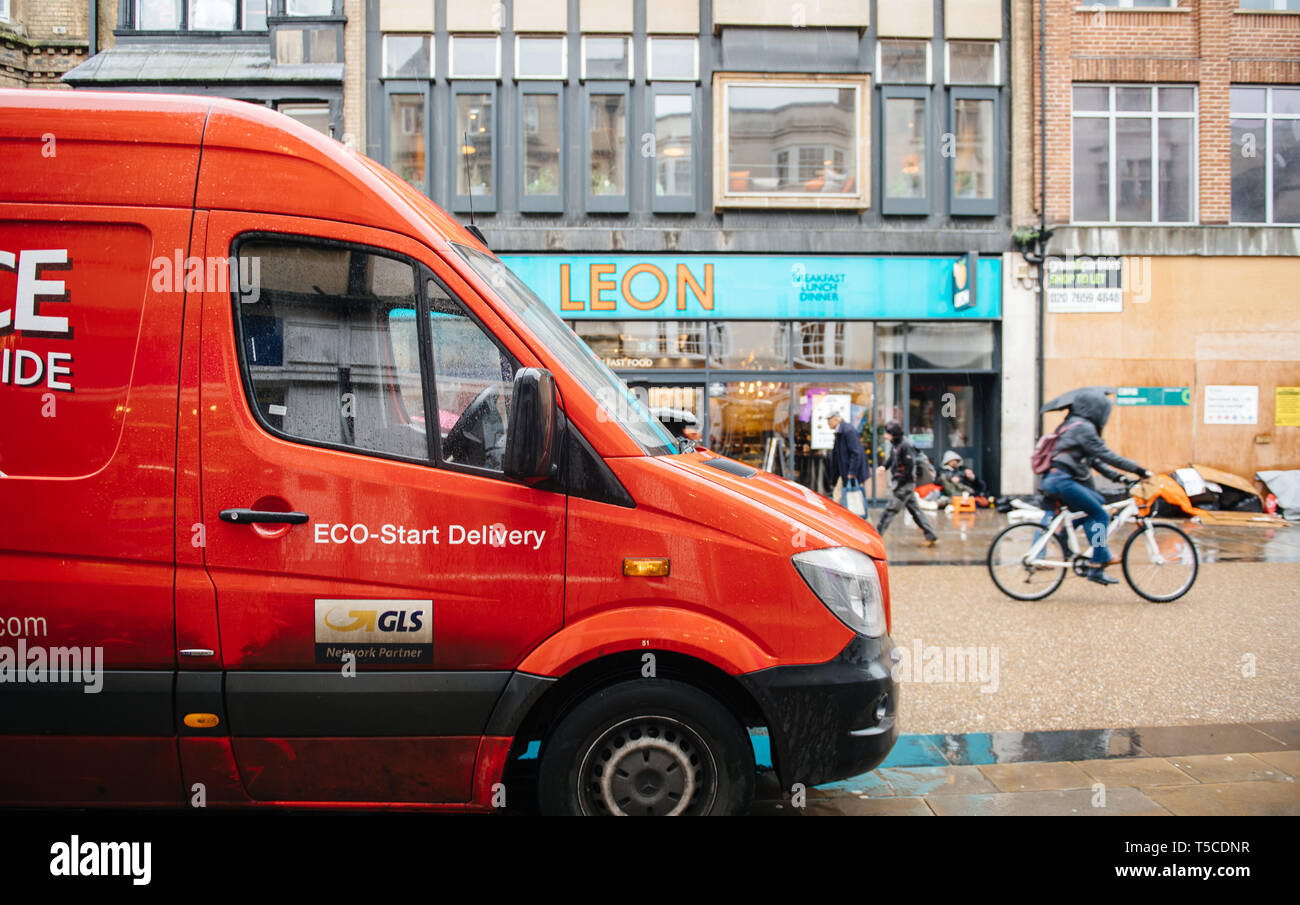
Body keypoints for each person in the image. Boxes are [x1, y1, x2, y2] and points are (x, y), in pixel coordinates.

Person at [1042, 389, 1151, 585]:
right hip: (1062, 481)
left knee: (1096, 505)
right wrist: (1138, 469)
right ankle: (1097, 564)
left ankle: (1065, 537)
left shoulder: (1073, 425)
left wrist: (1120, 477)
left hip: (1058, 479)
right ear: (1096, 409)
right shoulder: (1083, 428)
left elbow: (1095, 461)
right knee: (1101, 515)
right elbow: (1105, 455)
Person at [876, 421, 939, 546]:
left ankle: (876, 536)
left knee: (890, 510)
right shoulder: (896, 444)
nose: (885, 436)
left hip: (905, 485)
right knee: (915, 511)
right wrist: (885, 467)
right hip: (904, 484)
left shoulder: (905, 446)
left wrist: (899, 483)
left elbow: (909, 467)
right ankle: (931, 534)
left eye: (887, 433)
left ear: (893, 434)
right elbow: (892, 458)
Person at [826, 412, 869, 517]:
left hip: (851, 473)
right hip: (845, 472)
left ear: (836, 419)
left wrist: (852, 472)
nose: (828, 423)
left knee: (853, 501)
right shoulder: (840, 431)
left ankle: (864, 523)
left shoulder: (847, 430)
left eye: (829, 420)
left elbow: (856, 452)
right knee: (846, 500)